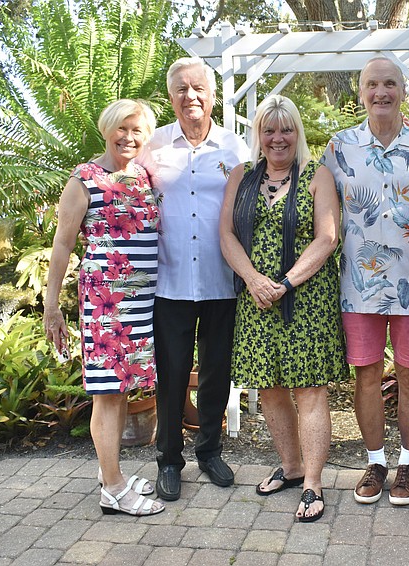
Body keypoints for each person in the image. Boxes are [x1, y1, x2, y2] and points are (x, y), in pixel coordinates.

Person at [219, 95, 348, 522]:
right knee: (270, 387)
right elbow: (226, 235)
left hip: (307, 299)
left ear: (298, 133)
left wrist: (286, 282)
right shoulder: (241, 176)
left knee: (309, 389)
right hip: (256, 298)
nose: (278, 138)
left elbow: (327, 237)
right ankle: (291, 467)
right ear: (259, 134)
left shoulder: (317, 174)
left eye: (286, 129)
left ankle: (313, 483)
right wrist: (254, 280)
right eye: (269, 129)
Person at [321, 56, 409, 506]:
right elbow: (316, 203)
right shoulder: (340, 147)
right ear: (361, 92)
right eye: (372, 84)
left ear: (404, 92)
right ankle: (375, 461)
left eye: (390, 83)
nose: (381, 92)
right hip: (359, 285)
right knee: (366, 375)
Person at [44, 99, 164, 517]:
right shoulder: (84, 179)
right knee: (108, 394)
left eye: (137, 131)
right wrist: (51, 305)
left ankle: (109, 471)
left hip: (142, 302)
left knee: (122, 388)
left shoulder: (143, 176)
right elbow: (63, 244)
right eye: (121, 129)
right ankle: (112, 489)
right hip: (106, 303)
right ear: (106, 129)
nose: (129, 138)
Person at [137, 57, 250, 500]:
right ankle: (169, 459)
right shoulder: (153, 146)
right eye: (182, 89)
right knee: (171, 374)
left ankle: (209, 450)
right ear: (171, 97)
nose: (191, 96)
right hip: (170, 281)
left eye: (198, 88)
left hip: (222, 280)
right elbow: (122, 180)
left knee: (217, 371)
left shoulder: (235, 147)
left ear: (212, 95)